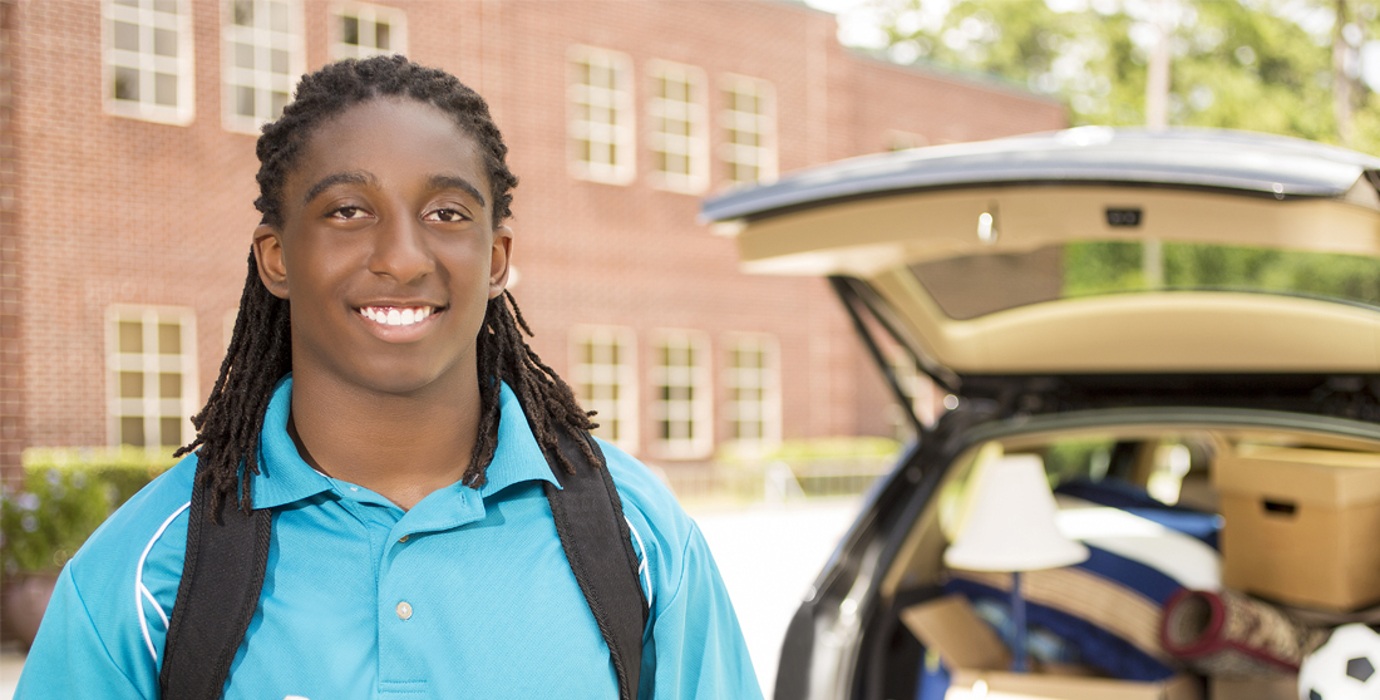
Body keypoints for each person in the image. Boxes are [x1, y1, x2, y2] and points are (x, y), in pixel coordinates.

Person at [16, 55, 763, 699]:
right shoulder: (147, 573)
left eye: (445, 213)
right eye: (347, 210)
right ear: (276, 258)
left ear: (497, 259)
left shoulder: (635, 535)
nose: (403, 258)